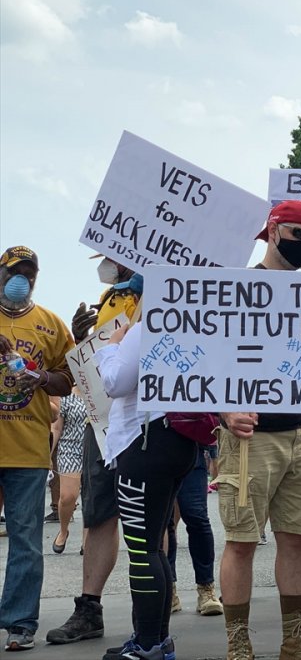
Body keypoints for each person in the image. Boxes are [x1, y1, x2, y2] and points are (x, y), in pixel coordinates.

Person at [218, 200, 301, 660]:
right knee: (242, 541)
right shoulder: (237, 288)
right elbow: (207, 359)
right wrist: (226, 412)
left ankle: (296, 640)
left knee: (296, 539)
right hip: (251, 437)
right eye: (296, 235)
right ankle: (239, 644)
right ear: (272, 232)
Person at [47, 256, 142, 645]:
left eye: (114, 253)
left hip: (144, 422)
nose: (107, 261)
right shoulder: (107, 297)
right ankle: (89, 609)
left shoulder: (161, 289)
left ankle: (151, 614)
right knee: (99, 512)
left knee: (148, 517)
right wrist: (80, 338)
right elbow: (96, 363)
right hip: (101, 421)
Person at [95, 321, 197, 660]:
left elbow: (116, 383)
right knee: (152, 544)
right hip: (177, 440)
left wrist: (111, 345)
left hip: (145, 441)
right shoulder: (191, 325)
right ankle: (157, 639)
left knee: (142, 548)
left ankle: (148, 642)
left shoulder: (149, 325)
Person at [0, 245, 75, 652]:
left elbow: (69, 377)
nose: (21, 280)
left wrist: (42, 377)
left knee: (26, 540)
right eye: (14, 271)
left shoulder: (50, 324)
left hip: (28, 450)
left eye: (29, 274)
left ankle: (19, 622)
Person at [165, 445, 224, 617]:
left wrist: (214, 457)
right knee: (164, 522)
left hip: (192, 449)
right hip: (157, 447)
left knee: (197, 517)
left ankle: (206, 588)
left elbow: (207, 419)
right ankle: (168, 590)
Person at [49, 390, 88, 554]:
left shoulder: (99, 391)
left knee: (91, 498)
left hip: (95, 447)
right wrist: (48, 453)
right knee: (67, 496)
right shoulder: (66, 394)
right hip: (69, 448)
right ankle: (64, 530)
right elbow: (57, 427)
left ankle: (87, 540)